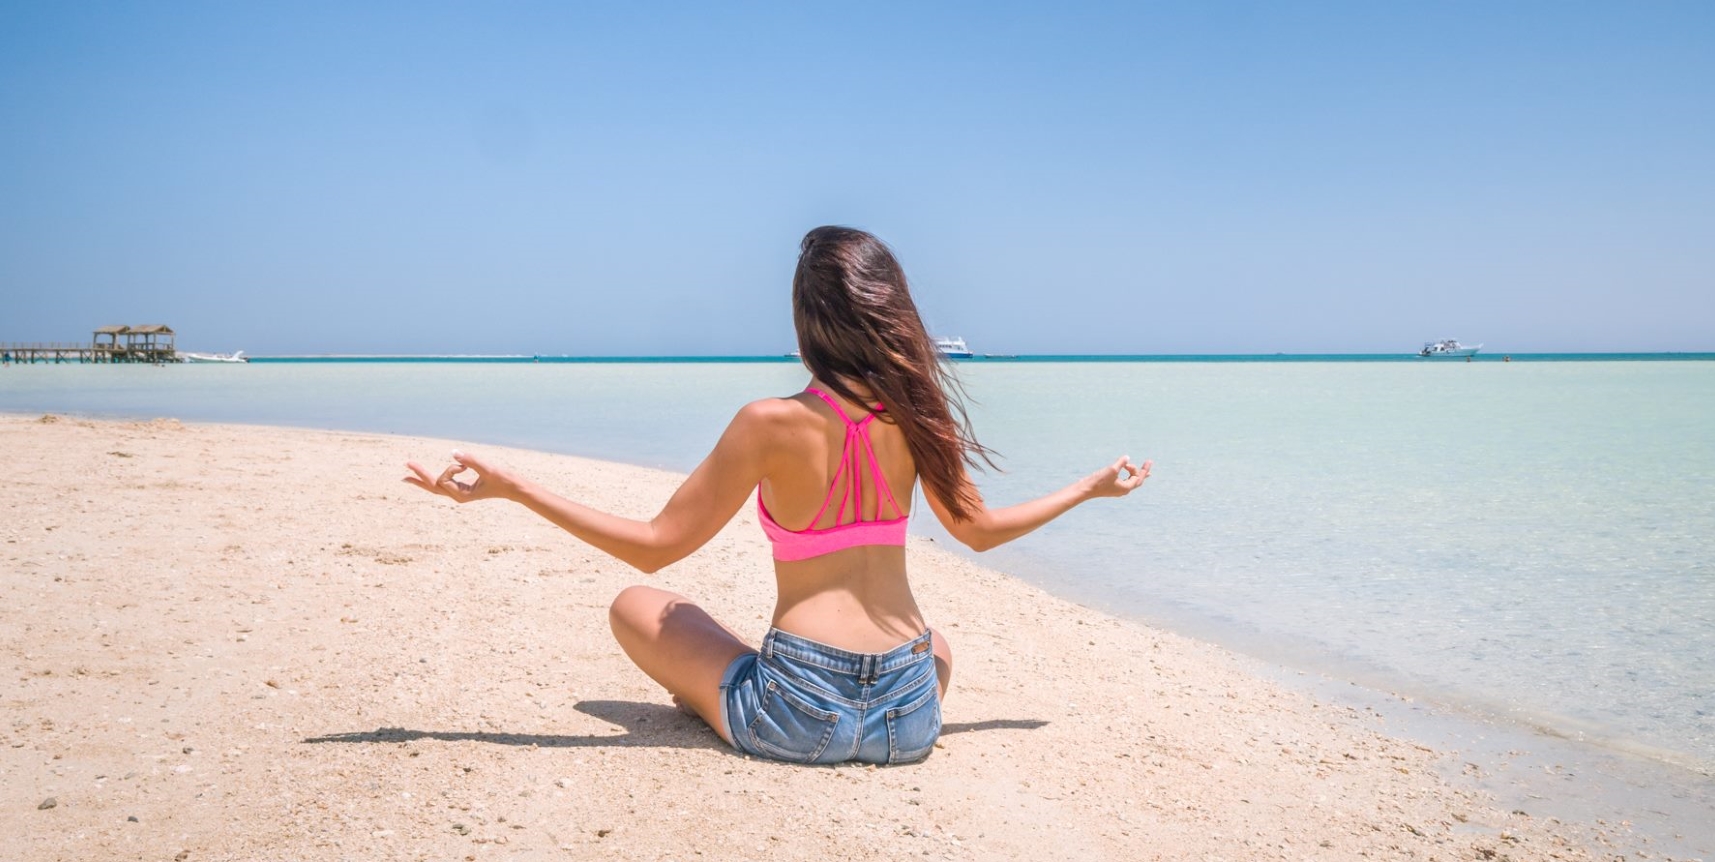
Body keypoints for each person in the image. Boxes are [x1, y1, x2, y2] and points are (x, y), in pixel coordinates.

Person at [404, 226, 1153, 765]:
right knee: (939, 648)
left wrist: (515, 488)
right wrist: (1086, 489)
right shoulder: (923, 417)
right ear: (893, 312)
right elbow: (980, 532)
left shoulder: (767, 423)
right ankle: (791, 696)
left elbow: (654, 548)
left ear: (808, 323)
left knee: (638, 604)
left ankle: (716, 697)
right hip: (910, 719)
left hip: (795, 713)